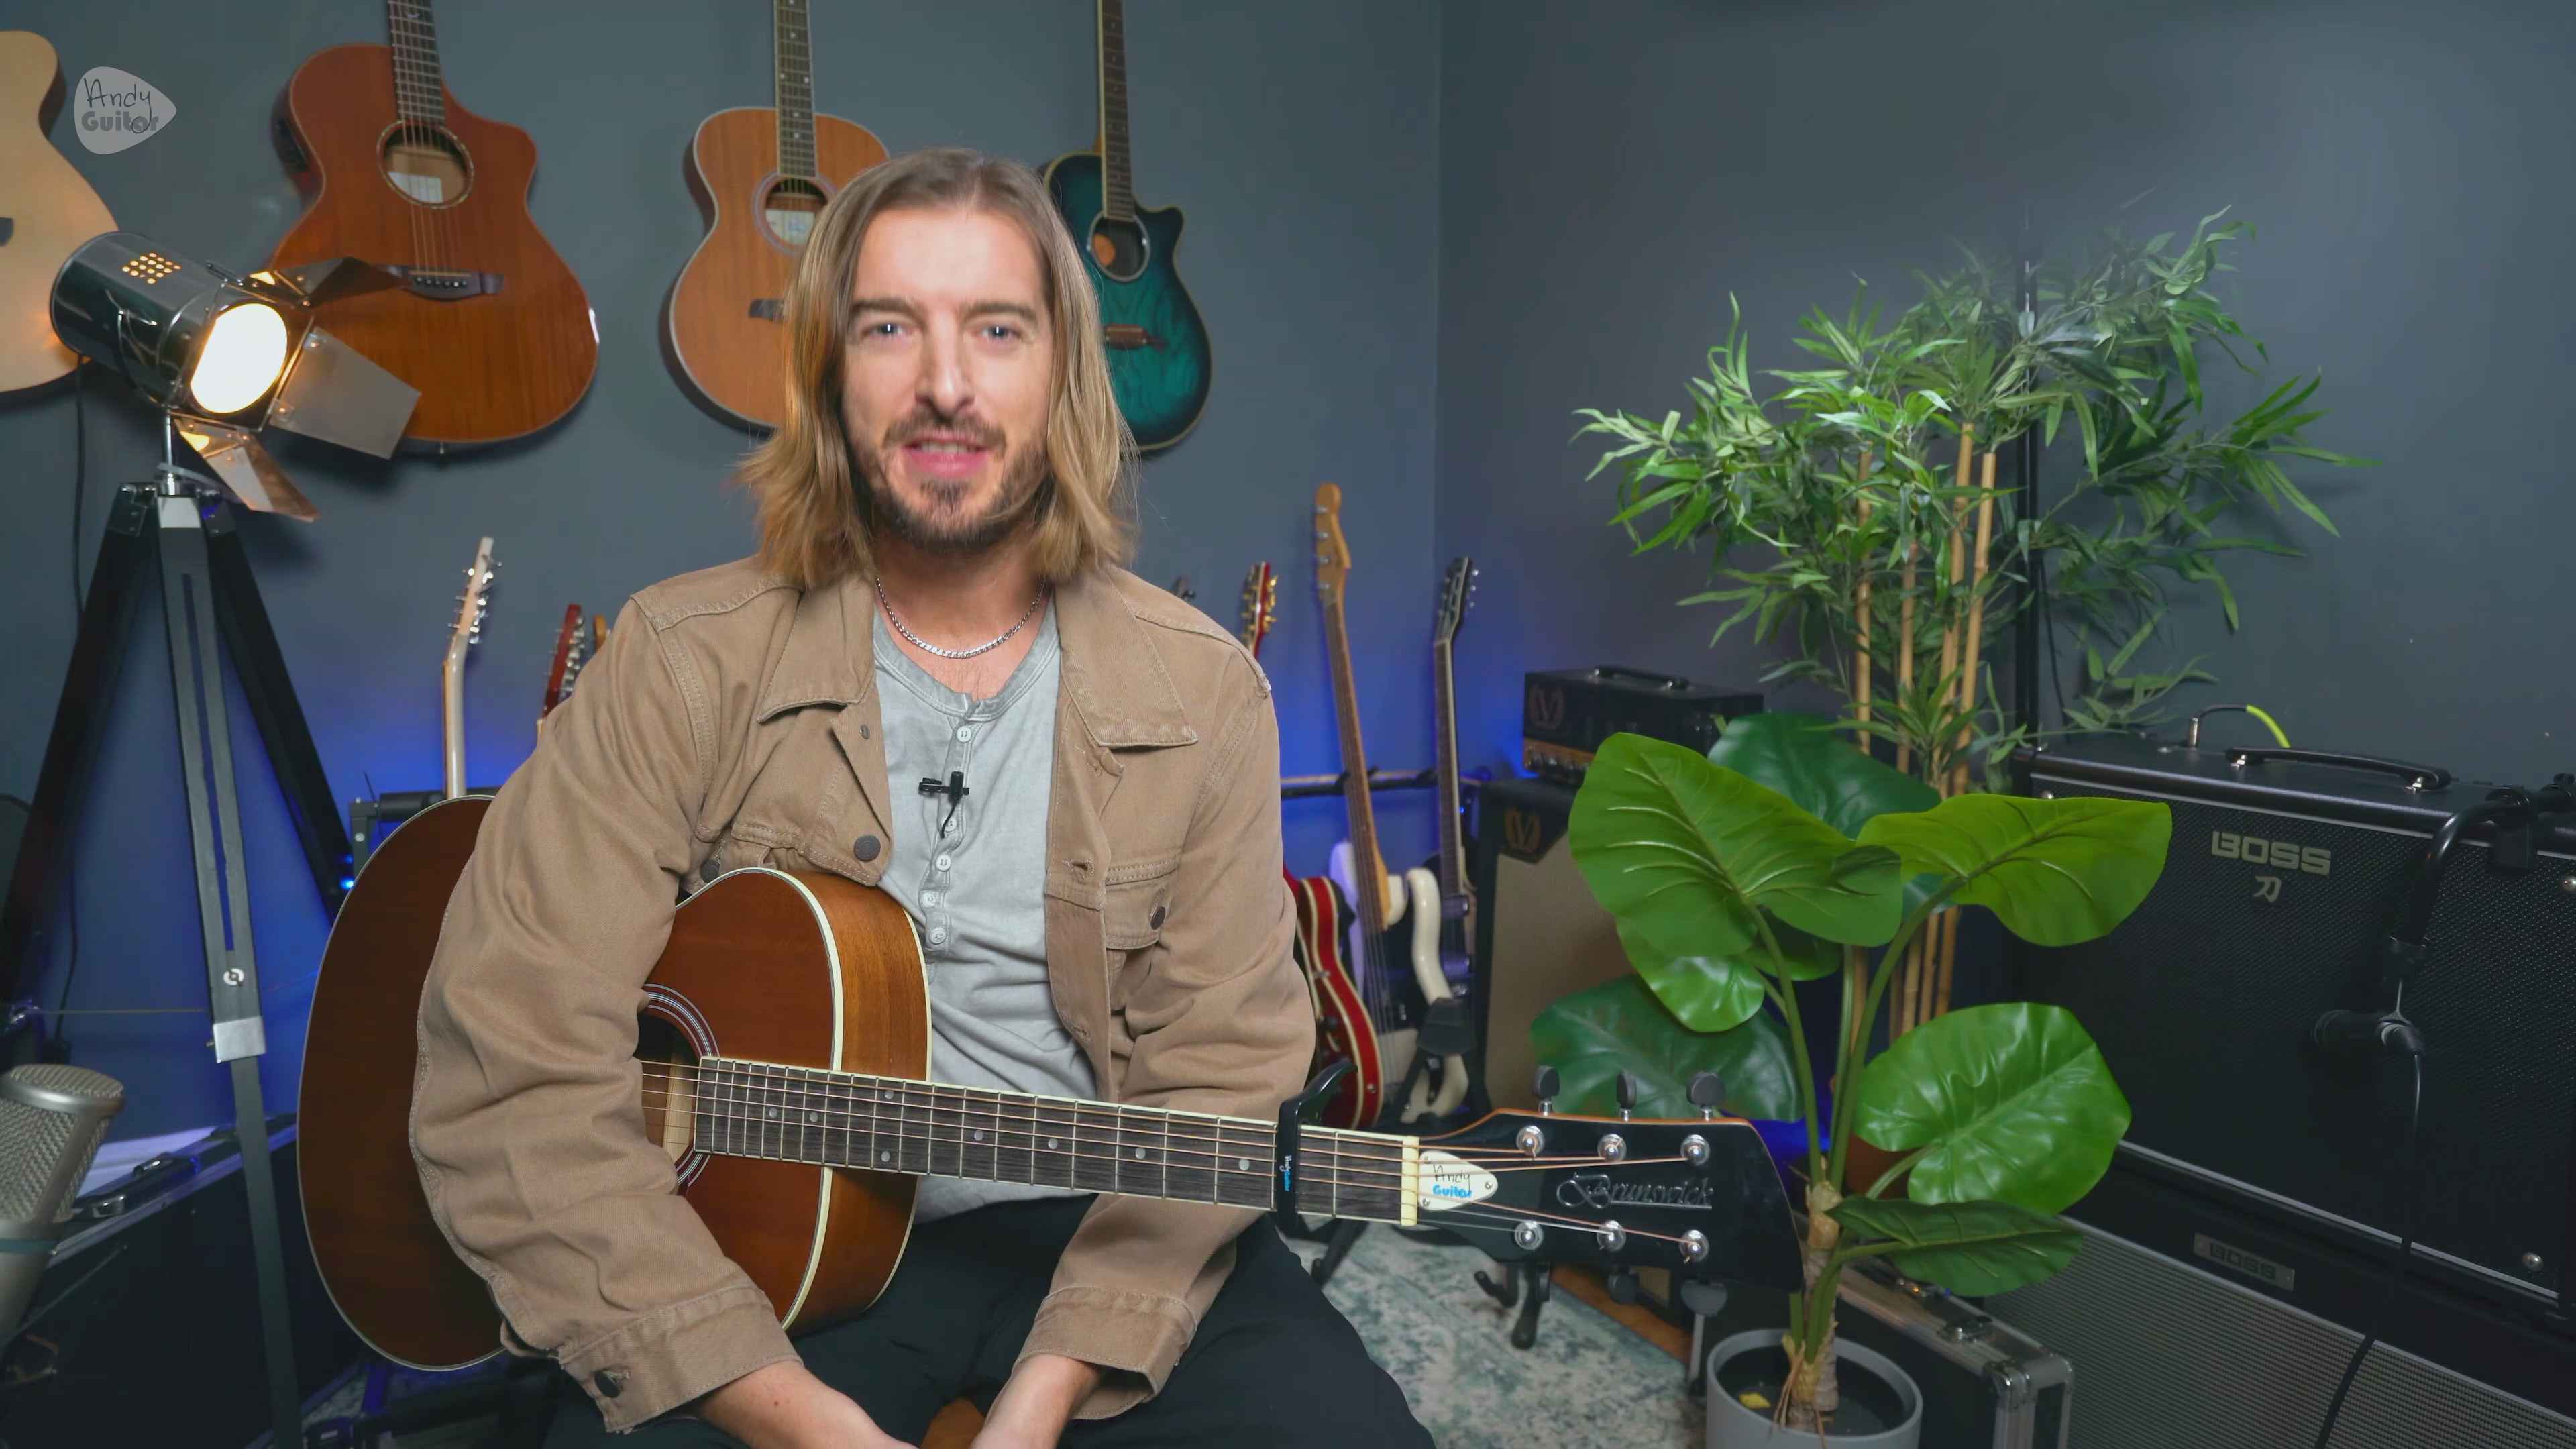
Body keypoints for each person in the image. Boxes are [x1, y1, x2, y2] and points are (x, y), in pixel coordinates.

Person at [409, 147, 1430, 1449]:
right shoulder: (681, 656)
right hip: (762, 1233)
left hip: (1108, 1219)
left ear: (1065, 372)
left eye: (997, 330)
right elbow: (515, 1060)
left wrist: (1048, 1390)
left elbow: (1223, 1074)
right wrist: (793, 1417)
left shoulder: (1205, 690)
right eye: (891, 328)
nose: (946, 384)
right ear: (828, 372)